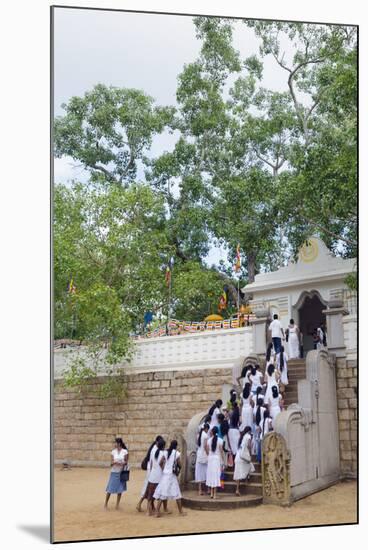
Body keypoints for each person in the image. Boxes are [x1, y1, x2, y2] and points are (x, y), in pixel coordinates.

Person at [154, 440, 186, 517]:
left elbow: (160, 462)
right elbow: (180, 464)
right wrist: (178, 469)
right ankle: (180, 512)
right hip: (172, 475)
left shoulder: (165, 452)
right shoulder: (176, 453)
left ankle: (157, 512)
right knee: (177, 493)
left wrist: (163, 469)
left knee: (162, 494)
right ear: (176, 446)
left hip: (165, 475)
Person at [136, 435, 163, 512]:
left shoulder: (154, 448)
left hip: (151, 471)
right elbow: (152, 462)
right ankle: (140, 504)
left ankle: (151, 506)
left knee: (149, 489)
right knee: (148, 489)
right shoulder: (155, 449)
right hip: (152, 472)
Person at [104, 437, 129, 510]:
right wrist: (114, 462)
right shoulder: (113, 452)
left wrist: (122, 463)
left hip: (121, 472)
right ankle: (105, 504)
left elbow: (126, 462)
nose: (115, 444)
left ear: (119, 443)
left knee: (120, 489)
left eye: (116, 443)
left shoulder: (125, 451)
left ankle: (117, 505)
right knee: (110, 489)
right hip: (114, 472)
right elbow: (111, 463)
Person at [145, 438, 166, 516]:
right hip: (159, 476)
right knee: (159, 494)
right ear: (163, 446)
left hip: (152, 475)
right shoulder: (163, 453)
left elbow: (151, 463)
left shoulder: (153, 451)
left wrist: (150, 472)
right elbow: (162, 464)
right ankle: (157, 511)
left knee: (150, 495)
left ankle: (148, 511)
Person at [233, 426, 255, 496]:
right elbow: (249, 446)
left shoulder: (242, 436)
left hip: (238, 456)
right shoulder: (248, 436)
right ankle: (246, 480)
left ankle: (237, 489)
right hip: (243, 457)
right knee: (250, 466)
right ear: (249, 431)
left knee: (238, 473)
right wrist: (251, 454)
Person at [205, 426, 225, 499]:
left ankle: (211, 493)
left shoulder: (209, 440)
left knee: (211, 475)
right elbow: (221, 451)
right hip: (217, 459)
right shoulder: (220, 440)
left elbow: (207, 450)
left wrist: (209, 455)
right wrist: (223, 461)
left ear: (212, 432)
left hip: (210, 459)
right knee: (216, 476)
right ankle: (215, 494)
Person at [195, 423, 210, 495]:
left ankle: (200, 490)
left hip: (199, 454)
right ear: (206, 428)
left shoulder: (198, 435)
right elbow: (205, 446)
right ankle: (208, 489)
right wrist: (208, 454)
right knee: (207, 472)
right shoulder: (205, 435)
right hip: (204, 455)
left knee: (199, 472)